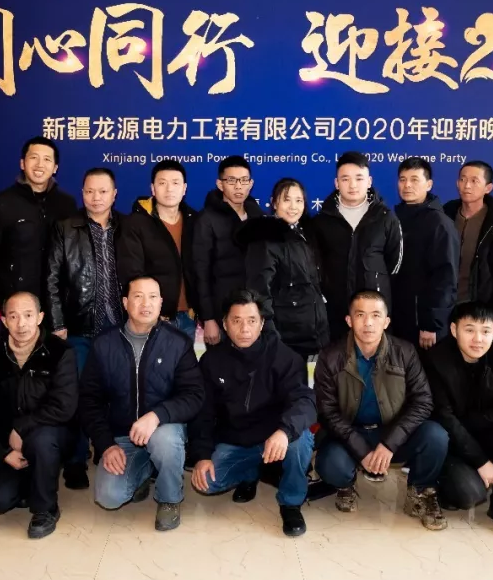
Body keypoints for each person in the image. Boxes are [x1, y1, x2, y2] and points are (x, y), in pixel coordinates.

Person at [314, 290, 449, 529]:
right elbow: (327, 411)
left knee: (436, 435)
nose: (368, 322)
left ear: (386, 322)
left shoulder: (405, 351)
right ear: (349, 320)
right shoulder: (330, 356)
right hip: (350, 432)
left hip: (392, 431)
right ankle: (345, 486)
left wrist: (389, 444)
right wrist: (362, 450)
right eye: (360, 315)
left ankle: (420, 491)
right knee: (330, 464)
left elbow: (423, 401)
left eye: (376, 315)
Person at [81, 276, 205, 531]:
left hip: (164, 429)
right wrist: (106, 445)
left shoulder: (178, 343)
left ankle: (169, 498)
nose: (146, 303)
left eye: (152, 297)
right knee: (108, 497)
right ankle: (145, 469)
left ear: (161, 303)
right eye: (138, 296)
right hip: (122, 436)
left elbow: (194, 395)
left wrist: (157, 415)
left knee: (164, 441)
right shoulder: (104, 344)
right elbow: (89, 401)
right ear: (125, 303)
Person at [190, 290, 316, 537]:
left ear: (261, 323)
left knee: (299, 440)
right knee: (207, 483)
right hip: (236, 440)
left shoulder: (284, 356)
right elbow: (202, 413)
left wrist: (284, 431)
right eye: (236, 321)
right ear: (225, 324)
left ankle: (291, 503)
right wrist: (202, 456)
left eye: (251, 320)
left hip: (276, 438)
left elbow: (305, 401)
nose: (244, 329)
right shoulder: (211, 361)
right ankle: (252, 472)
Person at [0, 291, 78, 538]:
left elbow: (64, 406)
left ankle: (46, 509)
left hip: (52, 435)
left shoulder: (60, 351)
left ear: (40, 317)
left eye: (28, 315)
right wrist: (3, 452)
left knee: (41, 440)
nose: (21, 323)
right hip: (10, 443)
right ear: (4, 321)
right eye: (13, 316)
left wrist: (21, 428)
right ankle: (30, 478)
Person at [47, 167, 125, 489]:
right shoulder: (65, 227)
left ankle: (109, 448)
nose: (96, 197)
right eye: (89, 191)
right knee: (76, 394)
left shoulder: (127, 227)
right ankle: (76, 460)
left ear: (114, 194)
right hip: (78, 327)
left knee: (115, 394)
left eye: (103, 191)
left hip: (118, 327)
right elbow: (51, 278)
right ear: (82, 193)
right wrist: (57, 322)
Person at [426, 302, 493, 536]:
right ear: (454, 330)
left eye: (485, 331)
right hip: (453, 442)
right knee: (469, 494)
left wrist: (474, 421)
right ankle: (443, 485)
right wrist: (481, 461)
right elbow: (444, 417)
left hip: (487, 432)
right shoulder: (436, 359)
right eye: (469, 330)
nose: (478, 339)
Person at [0, 136, 76, 310]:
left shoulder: (67, 204)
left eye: (47, 159)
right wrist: (7, 293)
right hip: (15, 304)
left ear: (55, 168)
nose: (40, 165)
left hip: (57, 304)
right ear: (22, 163)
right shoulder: (0, 204)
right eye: (34, 157)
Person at [313, 152, 403, 341]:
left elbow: (395, 263)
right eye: (345, 179)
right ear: (336, 183)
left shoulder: (385, 217)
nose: (352, 185)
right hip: (335, 308)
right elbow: (316, 263)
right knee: (337, 355)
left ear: (369, 181)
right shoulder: (322, 221)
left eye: (359, 178)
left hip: (375, 307)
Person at [239, 178, 329, 361]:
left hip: (312, 334)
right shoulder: (265, 239)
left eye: (299, 200)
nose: (293, 207)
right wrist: (271, 335)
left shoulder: (304, 235)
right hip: (286, 338)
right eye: (286, 200)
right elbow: (259, 292)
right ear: (274, 203)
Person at [118, 160, 198, 339]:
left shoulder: (195, 221)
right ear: (153, 189)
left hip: (189, 318)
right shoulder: (135, 223)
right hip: (153, 319)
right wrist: (150, 311)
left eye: (175, 183)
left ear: (184, 188)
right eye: (162, 183)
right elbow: (132, 273)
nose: (169, 189)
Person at [191, 156, 264, 345]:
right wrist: (208, 318)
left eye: (244, 180)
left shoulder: (258, 216)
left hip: (254, 313)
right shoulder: (206, 219)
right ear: (220, 184)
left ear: (251, 184)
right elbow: (200, 272)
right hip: (221, 314)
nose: (238, 186)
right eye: (231, 180)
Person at [442, 161, 493, 335]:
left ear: (488, 188)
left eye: (474, 181)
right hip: (446, 308)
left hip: (481, 310)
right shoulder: (445, 215)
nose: (467, 185)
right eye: (462, 179)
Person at [392, 157, 459, 351]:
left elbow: (445, 278)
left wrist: (432, 324)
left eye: (414, 179)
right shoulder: (395, 219)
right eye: (403, 179)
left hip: (423, 326)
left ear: (429, 184)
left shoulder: (439, 223)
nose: (407, 185)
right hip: (399, 318)